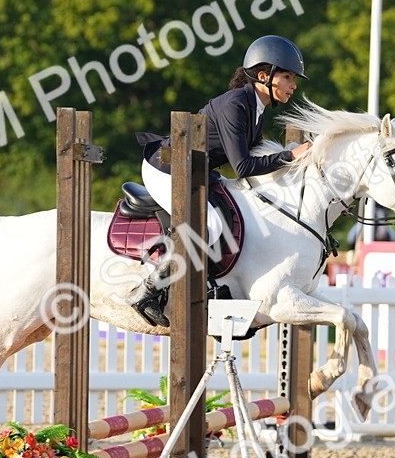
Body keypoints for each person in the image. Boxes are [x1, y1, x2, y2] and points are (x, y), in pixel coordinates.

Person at [132, 35, 313, 327]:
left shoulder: (257, 107)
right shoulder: (236, 104)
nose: (294, 84)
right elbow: (243, 166)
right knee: (208, 224)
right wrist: (289, 156)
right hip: (165, 167)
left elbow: (254, 159)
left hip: (196, 170)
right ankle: (148, 291)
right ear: (264, 76)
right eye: (288, 77)